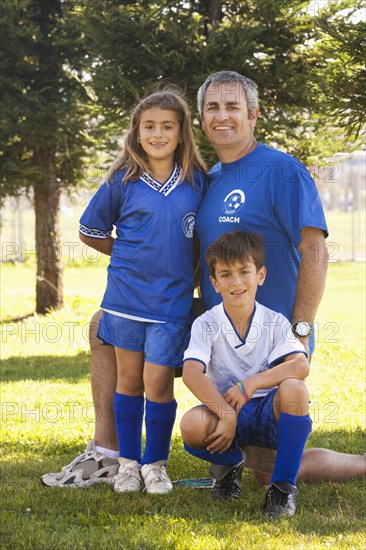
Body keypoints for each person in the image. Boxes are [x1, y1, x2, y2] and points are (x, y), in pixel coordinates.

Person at [41, 72, 366, 487]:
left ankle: (357, 463)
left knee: (266, 473)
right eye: (212, 107)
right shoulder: (206, 179)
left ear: (253, 114)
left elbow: (315, 252)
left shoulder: (283, 171)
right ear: (201, 118)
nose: (222, 116)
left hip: (269, 339)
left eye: (232, 106)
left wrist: (301, 328)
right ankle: (107, 454)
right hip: (211, 334)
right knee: (104, 326)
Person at [41, 89, 207, 494]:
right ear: (136, 132)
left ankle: (156, 465)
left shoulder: (198, 182)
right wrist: (129, 252)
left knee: (159, 384)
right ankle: (129, 465)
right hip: (125, 301)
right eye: (149, 126)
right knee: (128, 381)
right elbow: (89, 229)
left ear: (182, 133)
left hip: (171, 304)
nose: (157, 133)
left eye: (167, 126)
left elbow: (204, 239)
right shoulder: (123, 180)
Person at [181, 231, 312, 517]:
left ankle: (282, 488)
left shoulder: (274, 321)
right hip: (227, 409)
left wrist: (251, 383)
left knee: (295, 389)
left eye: (244, 272)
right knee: (191, 424)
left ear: (260, 275)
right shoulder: (207, 323)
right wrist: (225, 413)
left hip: (269, 412)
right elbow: (191, 373)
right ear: (214, 283)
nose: (236, 282)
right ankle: (230, 463)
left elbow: (300, 366)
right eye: (225, 275)